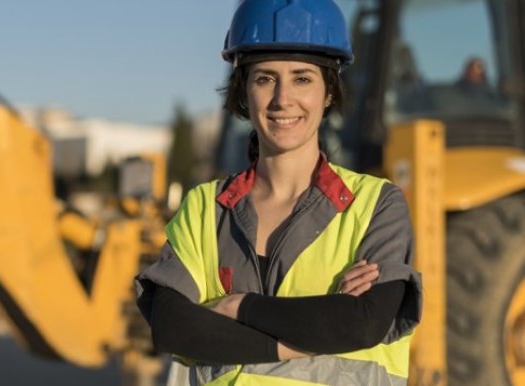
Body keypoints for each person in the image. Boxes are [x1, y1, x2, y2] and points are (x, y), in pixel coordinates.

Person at [135, 1, 423, 385]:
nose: (282, 99)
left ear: (329, 93)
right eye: (265, 78)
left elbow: (362, 324)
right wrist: (303, 336)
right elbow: (173, 327)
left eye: (302, 78)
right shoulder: (204, 207)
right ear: (244, 90)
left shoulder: (376, 205)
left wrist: (240, 307)